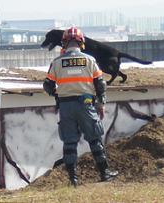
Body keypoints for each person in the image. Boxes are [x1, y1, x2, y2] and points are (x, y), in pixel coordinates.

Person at [43, 27, 118, 187]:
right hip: (86, 105)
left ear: (64, 43)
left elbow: (47, 85)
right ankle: (104, 173)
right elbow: (100, 84)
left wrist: (57, 95)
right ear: (81, 42)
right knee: (94, 139)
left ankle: (73, 179)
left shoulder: (56, 63)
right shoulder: (90, 60)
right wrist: (101, 103)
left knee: (69, 142)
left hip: (65, 106)